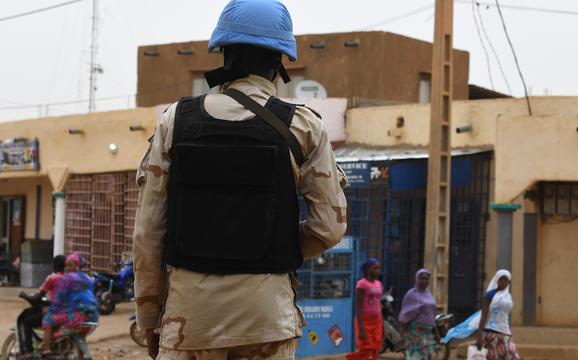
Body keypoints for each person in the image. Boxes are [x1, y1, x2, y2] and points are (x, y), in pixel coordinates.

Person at [132, 0, 348, 359]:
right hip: (267, 320)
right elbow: (328, 228)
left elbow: (148, 232)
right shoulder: (303, 126)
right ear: (280, 62)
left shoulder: (175, 121)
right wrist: (271, 246)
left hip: (189, 322)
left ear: (223, 53)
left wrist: (148, 317)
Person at [41, 252, 99, 354]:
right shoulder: (87, 278)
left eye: (70, 265)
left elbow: (59, 298)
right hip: (93, 315)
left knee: (48, 319)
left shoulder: (68, 278)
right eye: (66, 265)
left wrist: (51, 310)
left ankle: (46, 349)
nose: (67, 268)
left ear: (77, 265)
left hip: (78, 315)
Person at [16, 255, 66, 357]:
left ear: (54, 265)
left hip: (54, 313)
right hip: (67, 313)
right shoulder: (70, 279)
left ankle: (28, 351)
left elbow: (37, 298)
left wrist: (24, 295)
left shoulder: (52, 278)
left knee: (26, 321)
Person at [475, 269, 521, 360]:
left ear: (509, 282)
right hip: (491, 334)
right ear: (497, 280)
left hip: (505, 333)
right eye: (501, 279)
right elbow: (484, 315)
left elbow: (505, 316)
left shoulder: (508, 296)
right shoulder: (490, 295)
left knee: (512, 355)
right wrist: (479, 336)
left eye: (505, 279)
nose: (503, 282)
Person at [347, 259, 384, 360]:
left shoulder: (379, 284)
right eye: (375, 268)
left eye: (379, 269)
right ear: (368, 269)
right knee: (366, 347)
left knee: (376, 346)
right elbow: (358, 306)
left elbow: (378, 302)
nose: (378, 271)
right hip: (365, 321)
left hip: (377, 320)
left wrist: (382, 322)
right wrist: (361, 327)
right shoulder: (362, 284)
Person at [399, 268, 439, 360]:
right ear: (416, 279)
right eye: (422, 279)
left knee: (428, 357)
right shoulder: (411, 294)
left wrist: (436, 333)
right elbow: (404, 315)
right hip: (415, 332)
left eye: (426, 279)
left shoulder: (428, 294)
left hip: (428, 333)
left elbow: (432, 315)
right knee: (415, 357)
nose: (424, 281)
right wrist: (402, 335)